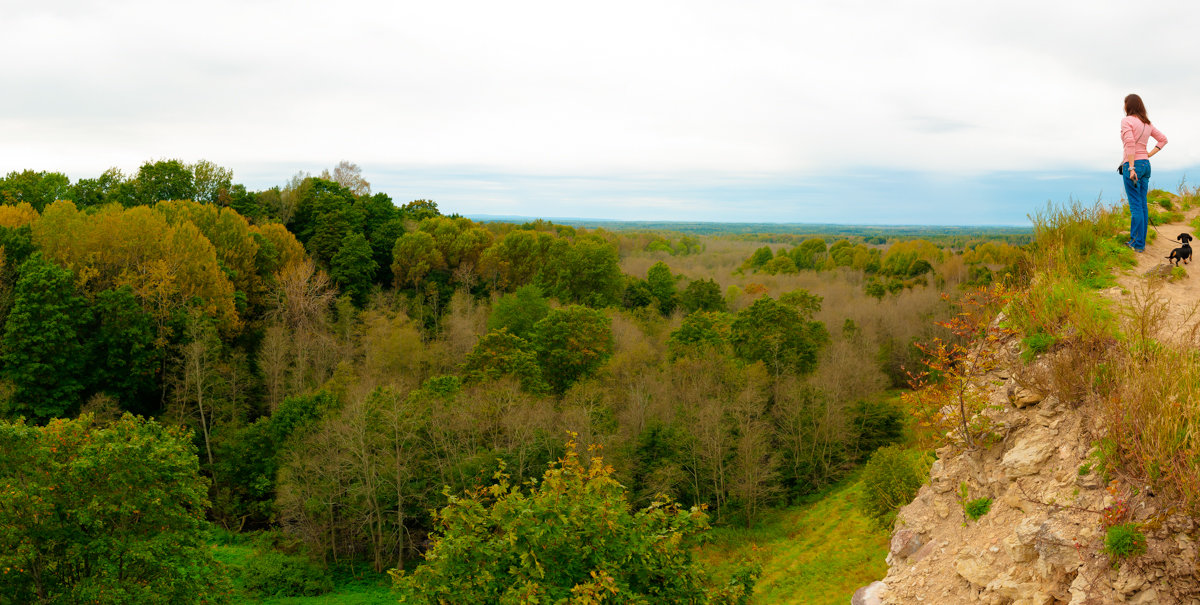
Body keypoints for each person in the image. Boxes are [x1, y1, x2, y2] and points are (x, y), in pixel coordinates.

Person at [1120, 93, 1167, 252]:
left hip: (1134, 166)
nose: (1123, 106)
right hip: (1146, 165)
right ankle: (1140, 242)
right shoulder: (1147, 124)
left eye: (1125, 103)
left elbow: (1130, 142)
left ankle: (1136, 244)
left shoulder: (1127, 121)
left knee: (1135, 206)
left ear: (1129, 105)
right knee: (1142, 204)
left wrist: (1132, 167)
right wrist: (1148, 154)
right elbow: (1163, 140)